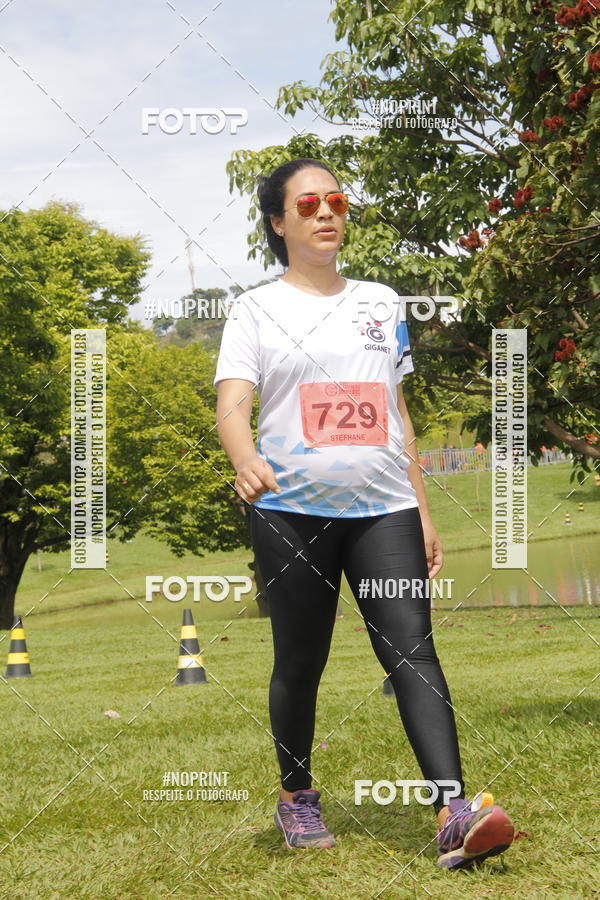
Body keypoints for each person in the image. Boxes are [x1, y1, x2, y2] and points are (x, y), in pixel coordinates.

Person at [213, 157, 515, 869]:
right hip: (289, 511)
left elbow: (396, 413)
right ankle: (297, 796)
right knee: (301, 660)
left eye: (337, 201)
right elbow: (233, 402)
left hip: (384, 508)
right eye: (309, 203)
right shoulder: (256, 308)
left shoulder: (381, 301)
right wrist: (242, 457)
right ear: (279, 221)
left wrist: (422, 505)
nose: (327, 212)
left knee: (412, 647)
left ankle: (453, 811)